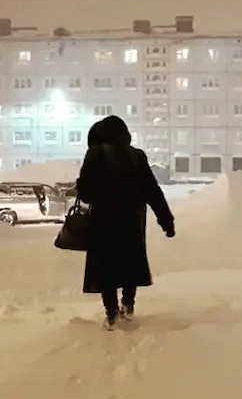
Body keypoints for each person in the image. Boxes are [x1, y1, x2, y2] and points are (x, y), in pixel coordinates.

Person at [76, 116, 175, 330]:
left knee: (106, 267)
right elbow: (152, 191)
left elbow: (85, 193)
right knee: (130, 262)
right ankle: (128, 305)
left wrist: (82, 184)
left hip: (103, 221)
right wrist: (166, 220)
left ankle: (112, 314)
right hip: (131, 221)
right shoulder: (137, 157)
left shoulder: (95, 154)